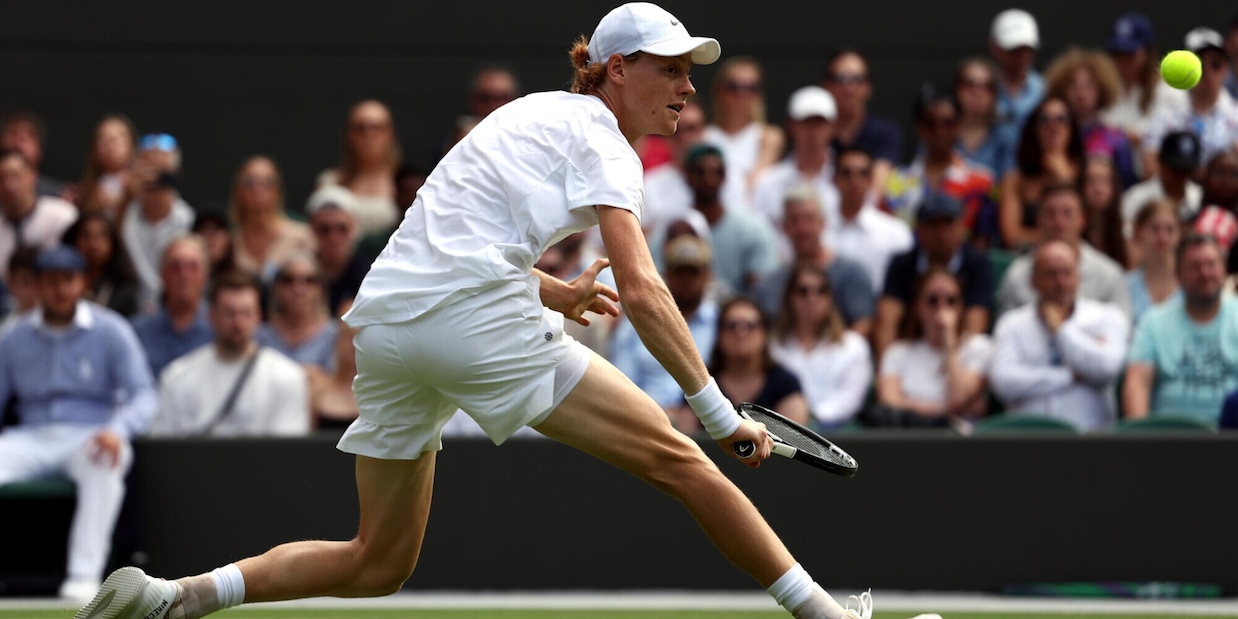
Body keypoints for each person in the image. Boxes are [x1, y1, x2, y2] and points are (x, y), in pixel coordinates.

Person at [77, 6, 883, 619]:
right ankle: (828, 614)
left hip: (389, 327)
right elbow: (644, 288)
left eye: (690, 71)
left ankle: (175, 596)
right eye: (670, 68)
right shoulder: (607, 145)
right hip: (469, 320)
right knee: (682, 459)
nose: (687, 86)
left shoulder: (525, 114)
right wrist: (714, 408)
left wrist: (553, 290)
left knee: (378, 561)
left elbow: (456, 237)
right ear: (611, 70)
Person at [0, 246, 156, 601]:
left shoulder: (112, 329)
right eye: (51, 281)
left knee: (105, 458)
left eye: (68, 280)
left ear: (83, 282)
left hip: (91, 435)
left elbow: (144, 394)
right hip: (30, 437)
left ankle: (84, 577)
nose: (60, 289)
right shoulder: (13, 337)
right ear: (37, 285)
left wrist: (117, 430)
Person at [990, 241, 1129, 431]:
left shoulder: (1106, 317)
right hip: (1027, 439)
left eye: (1067, 273)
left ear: (1078, 277)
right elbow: (1004, 383)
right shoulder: (1011, 324)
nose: (1060, 282)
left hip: (1090, 437)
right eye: (1051, 274)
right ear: (1033, 281)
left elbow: (1107, 367)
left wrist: (1062, 330)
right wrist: (1070, 375)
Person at [151, 271, 309, 437]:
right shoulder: (177, 376)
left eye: (246, 313)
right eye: (229, 313)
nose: (238, 323)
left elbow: (286, 451)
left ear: (259, 318)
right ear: (211, 317)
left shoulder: (288, 376)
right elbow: (165, 443)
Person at [1124, 233, 1238, 423]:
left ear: (1224, 268)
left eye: (1211, 264)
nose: (1205, 273)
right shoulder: (1154, 321)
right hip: (1172, 439)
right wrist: (1140, 439)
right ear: (1178, 274)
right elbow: (1138, 382)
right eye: (1195, 267)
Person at [609, 234, 719, 417]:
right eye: (679, 272)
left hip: (704, 420)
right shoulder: (636, 321)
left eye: (693, 273)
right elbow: (623, 381)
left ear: (707, 276)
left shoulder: (720, 321)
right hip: (645, 417)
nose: (686, 281)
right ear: (666, 274)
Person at [875, 193, 992, 361]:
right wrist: (889, 369)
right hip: (909, 352)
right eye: (934, 225)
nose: (942, 233)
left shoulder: (978, 264)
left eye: (948, 224)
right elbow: (887, 322)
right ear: (919, 230)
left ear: (961, 228)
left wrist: (954, 367)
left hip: (956, 355)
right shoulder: (902, 264)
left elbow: (975, 324)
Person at [652, 143, 780, 293]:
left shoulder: (753, 228)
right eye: (701, 172)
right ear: (687, 176)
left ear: (725, 176)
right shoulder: (670, 230)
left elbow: (764, 287)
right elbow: (655, 282)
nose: (709, 179)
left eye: (717, 172)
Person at [882, 85, 997, 245]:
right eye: (931, 123)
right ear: (919, 127)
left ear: (959, 125)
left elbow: (983, 241)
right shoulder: (896, 180)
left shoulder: (982, 181)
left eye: (948, 123)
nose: (940, 131)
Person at [753, 185, 874, 336]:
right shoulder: (769, 284)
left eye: (809, 219)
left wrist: (838, 352)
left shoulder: (851, 273)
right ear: (784, 227)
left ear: (822, 223)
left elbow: (864, 323)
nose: (802, 228)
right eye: (794, 220)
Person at [876, 269, 991, 426]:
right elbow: (889, 402)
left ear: (961, 307)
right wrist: (946, 411)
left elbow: (958, 398)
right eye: (932, 300)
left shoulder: (979, 347)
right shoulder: (897, 352)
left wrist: (949, 342)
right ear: (918, 307)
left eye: (951, 301)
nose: (941, 309)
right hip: (908, 436)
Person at [996, 183, 1130, 317]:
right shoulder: (1017, 275)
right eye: (1050, 213)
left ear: (1082, 220)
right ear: (1039, 220)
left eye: (1068, 213)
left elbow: (1121, 330)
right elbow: (1007, 330)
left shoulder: (1109, 275)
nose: (1059, 222)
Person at [769, 265, 871, 430]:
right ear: (790, 297)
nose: (812, 298)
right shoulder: (772, 347)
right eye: (803, 291)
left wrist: (810, 419)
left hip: (840, 434)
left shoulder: (854, 346)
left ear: (830, 297)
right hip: (783, 433)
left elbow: (850, 400)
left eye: (821, 290)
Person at [699, 295, 809, 431]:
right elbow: (688, 434)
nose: (740, 332)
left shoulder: (785, 383)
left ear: (765, 333)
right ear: (719, 334)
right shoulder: (701, 381)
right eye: (731, 326)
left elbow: (795, 439)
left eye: (750, 326)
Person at [1142, 28, 1238, 179]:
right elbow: (1149, 166)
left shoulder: (1235, 115)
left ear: (1226, 69)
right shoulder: (1167, 112)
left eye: (1215, 64)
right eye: (1199, 64)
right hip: (1176, 194)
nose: (1208, 72)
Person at [1043, 47, 1138, 188]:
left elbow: (1126, 185)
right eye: (1073, 85)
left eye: (1089, 85)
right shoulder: (1050, 134)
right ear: (1061, 89)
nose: (1081, 93)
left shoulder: (1117, 140)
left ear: (1102, 88)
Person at [751, 86, 840, 237]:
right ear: (791, 126)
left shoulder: (847, 179)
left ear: (832, 127)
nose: (813, 131)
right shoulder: (768, 182)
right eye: (806, 123)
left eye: (819, 123)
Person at [120, 133, 194, 313]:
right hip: (127, 312)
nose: (152, 177)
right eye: (147, 168)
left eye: (160, 171)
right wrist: (126, 195)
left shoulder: (188, 221)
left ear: (175, 175)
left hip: (171, 313)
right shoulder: (122, 215)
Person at [998, 96, 1085, 250]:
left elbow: (1087, 229)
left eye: (1061, 119)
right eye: (1044, 119)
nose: (1053, 126)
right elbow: (1011, 237)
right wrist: (1057, 236)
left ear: (1072, 128)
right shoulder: (1015, 180)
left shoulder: (1087, 173)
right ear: (1034, 128)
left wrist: (1064, 177)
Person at [1101, 13, 1189, 161]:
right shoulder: (1105, 88)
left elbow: (1159, 137)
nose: (1122, 61)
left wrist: (1119, 134)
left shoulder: (1168, 90)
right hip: (1113, 175)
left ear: (1147, 53)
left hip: (1153, 174)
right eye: (1117, 54)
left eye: (1129, 54)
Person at [827, 147, 914, 294]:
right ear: (834, 179)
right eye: (846, 173)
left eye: (863, 173)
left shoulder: (896, 232)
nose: (854, 180)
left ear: (871, 179)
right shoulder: (818, 229)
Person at [702, 56, 784, 211]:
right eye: (734, 86)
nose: (742, 94)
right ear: (719, 91)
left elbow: (756, 184)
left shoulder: (769, 137)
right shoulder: (703, 136)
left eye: (751, 87)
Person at [822, 49, 903, 199]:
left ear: (868, 87)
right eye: (841, 78)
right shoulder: (816, 133)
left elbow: (876, 191)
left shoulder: (884, 133)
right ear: (827, 86)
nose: (848, 87)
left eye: (856, 79)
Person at [130, 235, 215, 380]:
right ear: (162, 275)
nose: (184, 274)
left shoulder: (220, 330)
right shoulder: (137, 333)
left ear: (205, 276)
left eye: (192, 267)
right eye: (176, 267)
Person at [316, 100, 403, 237]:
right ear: (348, 135)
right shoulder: (329, 182)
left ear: (390, 134)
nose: (369, 134)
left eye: (376, 127)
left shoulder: (406, 185)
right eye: (360, 128)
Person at [229, 156, 314, 283]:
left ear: (278, 190)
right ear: (238, 190)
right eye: (249, 182)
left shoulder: (301, 237)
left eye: (266, 182)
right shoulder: (229, 241)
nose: (257, 189)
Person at [0, 148, 78, 277]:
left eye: (15, 176)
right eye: (1, 178)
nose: (9, 185)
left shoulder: (64, 217)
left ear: (33, 175)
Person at [256, 252, 339, 372]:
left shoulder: (336, 337)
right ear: (277, 288)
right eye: (289, 280)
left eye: (309, 281)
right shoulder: (259, 336)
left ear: (321, 288)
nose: (299, 290)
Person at [642, 98, 707, 236]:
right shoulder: (650, 184)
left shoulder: (726, 178)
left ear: (704, 132)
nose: (684, 138)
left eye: (691, 129)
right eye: (677, 130)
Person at [1120, 130, 1203, 239]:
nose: (1181, 176)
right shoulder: (1136, 198)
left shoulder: (1199, 196)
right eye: (1176, 169)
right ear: (1161, 163)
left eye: (1186, 170)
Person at [306, 184, 372, 315]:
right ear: (312, 229)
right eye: (325, 229)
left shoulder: (370, 275)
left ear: (355, 229)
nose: (333, 238)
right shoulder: (296, 275)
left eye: (342, 229)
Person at [62, 212, 142, 317]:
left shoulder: (124, 289)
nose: (93, 244)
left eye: (102, 236)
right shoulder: (60, 282)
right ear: (73, 241)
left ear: (113, 244)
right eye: (86, 236)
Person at [953, 57, 1017, 180]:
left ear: (995, 94)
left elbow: (1011, 184)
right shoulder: (939, 129)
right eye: (969, 85)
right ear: (956, 89)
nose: (978, 93)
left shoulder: (1007, 136)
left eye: (986, 86)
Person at [988, 8, 1044, 138]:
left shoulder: (1046, 90)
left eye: (1026, 49)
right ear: (994, 48)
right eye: (1013, 49)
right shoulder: (980, 90)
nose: (1021, 55)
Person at [1126, 200, 1182, 325]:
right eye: (1155, 229)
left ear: (1179, 235)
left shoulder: (1190, 286)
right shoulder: (1125, 285)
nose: (1162, 237)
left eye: (1170, 230)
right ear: (1140, 232)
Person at [78, 114, 138, 218]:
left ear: (131, 146)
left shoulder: (143, 188)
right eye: (102, 138)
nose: (110, 144)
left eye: (119, 137)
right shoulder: (81, 193)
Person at [0, 110, 69, 199]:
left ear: (40, 152)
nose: (19, 139)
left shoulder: (59, 197)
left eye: (30, 134)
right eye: (13, 132)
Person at [1079, 156, 1129, 267]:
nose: (1098, 189)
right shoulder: (1071, 231)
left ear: (1114, 187)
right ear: (1081, 186)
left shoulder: (1127, 234)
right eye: (1091, 181)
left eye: (1104, 181)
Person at [1192, 149, 1238, 254]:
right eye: (1220, 172)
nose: (1227, 180)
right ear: (1207, 176)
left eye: (1234, 174)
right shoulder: (1192, 211)